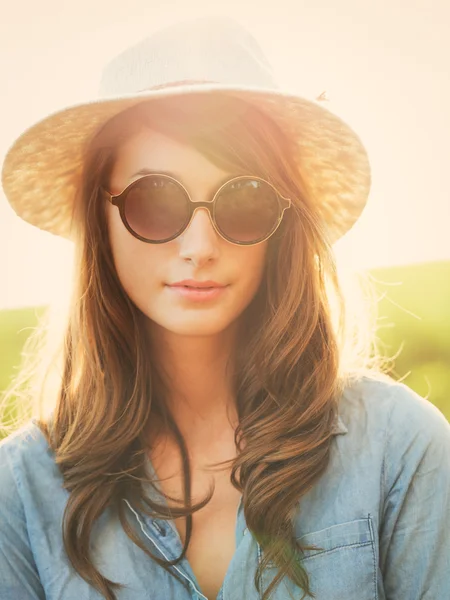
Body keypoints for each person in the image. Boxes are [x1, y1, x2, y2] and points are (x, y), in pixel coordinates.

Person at [0, 16, 449, 600]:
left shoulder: (401, 447)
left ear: (282, 226)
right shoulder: (21, 492)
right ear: (100, 220)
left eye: (244, 200)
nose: (199, 248)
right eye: (155, 201)